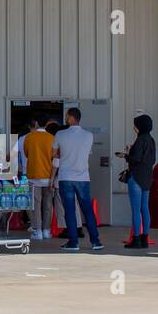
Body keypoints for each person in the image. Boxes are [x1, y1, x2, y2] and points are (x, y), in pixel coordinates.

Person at [52, 107, 102, 252]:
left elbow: (54, 154)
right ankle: (95, 241)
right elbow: (88, 153)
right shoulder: (89, 135)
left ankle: (73, 242)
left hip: (66, 177)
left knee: (69, 210)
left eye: (67, 116)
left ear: (70, 117)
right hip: (83, 177)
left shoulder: (60, 134)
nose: (66, 119)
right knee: (87, 210)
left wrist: (64, 154)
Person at [118, 114, 156, 249]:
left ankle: (136, 239)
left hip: (136, 177)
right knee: (145, 208)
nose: (134, 127)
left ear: (140, 126)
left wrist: (126, 155)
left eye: (136, 125)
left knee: (135, 210)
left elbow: (135, 158)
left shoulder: (140, 140)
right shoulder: (151, 140)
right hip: (147, 177)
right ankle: (145, 238)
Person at [22, 119, 54, 240]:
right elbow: (54, 156)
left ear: (35, 123)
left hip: (33, 175)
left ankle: (37, 231)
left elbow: (26, 153)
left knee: (35, 204)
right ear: (46, 124)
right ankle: (46, 231)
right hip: (48, 175)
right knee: (47, 204)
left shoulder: (29, 137)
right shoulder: (51, 138)